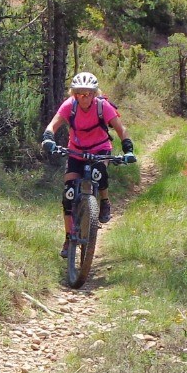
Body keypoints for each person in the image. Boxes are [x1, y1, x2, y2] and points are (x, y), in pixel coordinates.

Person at [42, 72, 133, 252]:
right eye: (80, 93)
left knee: (99, 173)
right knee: (68, 194)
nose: (84, 97)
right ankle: (68, 238)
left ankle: (104, 201)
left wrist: (128, 149)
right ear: (74, 94)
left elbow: (121, 129)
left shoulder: (102, 106)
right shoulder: (70, 106)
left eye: (88, 93)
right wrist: (48, 138)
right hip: (76, 151)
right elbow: (52, 125)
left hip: (100, 149)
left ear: (94, 93)